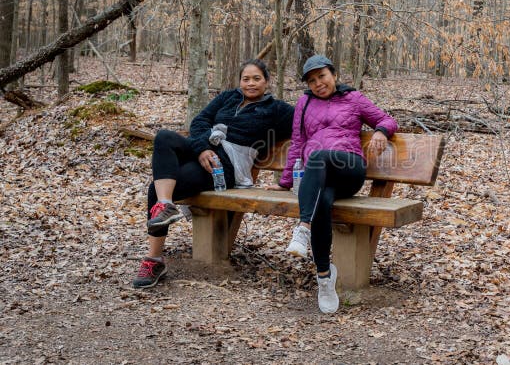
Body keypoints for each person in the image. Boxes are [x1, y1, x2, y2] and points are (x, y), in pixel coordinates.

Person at [132, 59, 294, 289]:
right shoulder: (228, 97)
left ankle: (153, 259)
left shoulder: (277, 110)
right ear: (240, 81)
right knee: (164, 137)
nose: (250, 83)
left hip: (227, 166)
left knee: (153, 188)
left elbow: (308, 120)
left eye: (257, 78)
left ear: (267, 81)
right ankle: (165, 205)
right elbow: (200, 121)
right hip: (204, 150)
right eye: (245, 79)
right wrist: (202, 149)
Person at [268, 54, 397, 313]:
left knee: (317, 155)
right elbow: (297, 143)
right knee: (323, 201)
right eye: (312, 80)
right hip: (318, 179)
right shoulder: (304, 103)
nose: (318, 83)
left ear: (334, 75)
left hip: (349, 169)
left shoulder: (354, 99)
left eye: (322, 76)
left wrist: (381, 132)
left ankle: (302, 228)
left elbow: (386, 120)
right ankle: (325, 277)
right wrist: (285, 182)